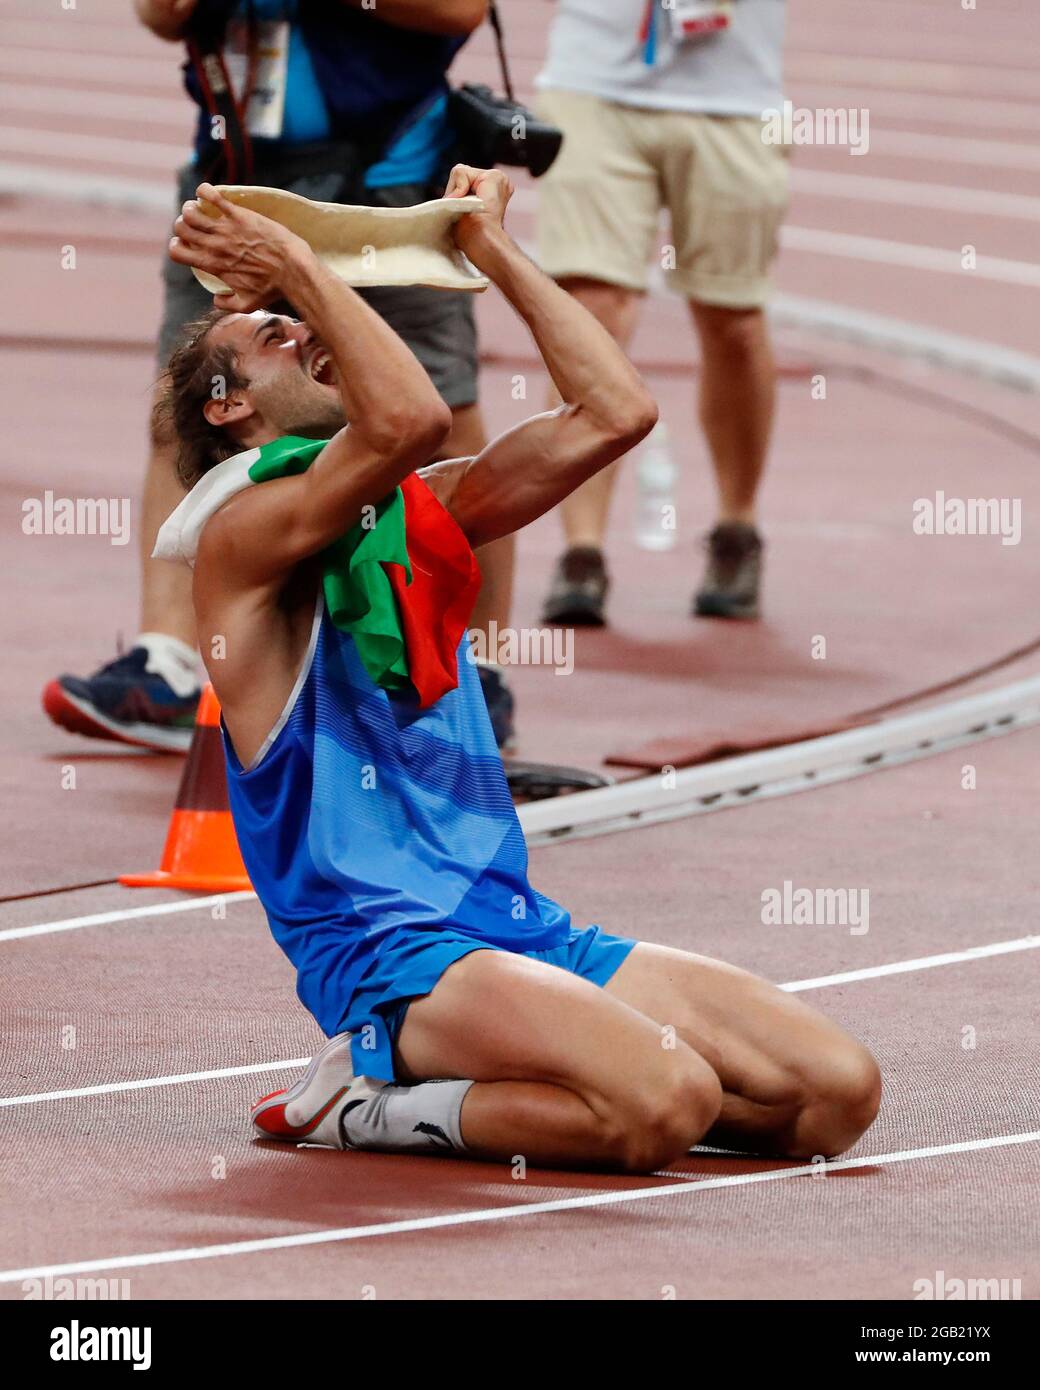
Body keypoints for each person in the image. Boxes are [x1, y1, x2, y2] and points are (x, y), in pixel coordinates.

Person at [159, 166, 880, 1172]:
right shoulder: (239, 537)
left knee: (832, 1096)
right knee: (660, 1101)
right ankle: (360, 1104)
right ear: (229, 406)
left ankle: (548, 1072)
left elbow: (614, 410)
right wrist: (293, 262)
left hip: (512, 926)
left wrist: (489, 247)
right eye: (270, 336)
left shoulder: (415, 515)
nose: (302, 329)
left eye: (297, 319)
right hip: (391, 951)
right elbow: (405, 417)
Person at [43, 0, 518, 752]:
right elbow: (161, 16)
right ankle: (166, 661)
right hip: (236, 176)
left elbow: (457, 9)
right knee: (189, 403)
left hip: (384, 178)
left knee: (439, 408)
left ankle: (482, 663)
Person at [535, 0, 790, 626]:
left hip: (735, 95)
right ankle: (581, 549)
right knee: (590, 313)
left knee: (732, 318)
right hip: (593, 83)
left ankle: (737, 527)